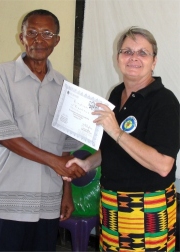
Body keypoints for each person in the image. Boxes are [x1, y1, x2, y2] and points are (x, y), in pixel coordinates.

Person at [66, 27, 180, 251]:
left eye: (142, 53)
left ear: (154, 61)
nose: (134, 58)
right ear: (118, 58)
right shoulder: (117, 94)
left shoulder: (165, 102)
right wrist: (87, 163)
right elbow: (112, 148)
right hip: (111, 203)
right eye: (127, 51)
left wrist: (117, 131)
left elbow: (163, 165)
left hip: (148, 207)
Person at [0, 9, 85, 251]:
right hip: (7, 199)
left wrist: (66, 192)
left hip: (47, 202)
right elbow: (5, 136)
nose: (39, 40)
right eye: (32, 33)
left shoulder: (65, 88)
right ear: (22, 38)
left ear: (57, 40)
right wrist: (54, 161)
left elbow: (65, 152)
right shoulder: (1, 76)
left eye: (47, 33)